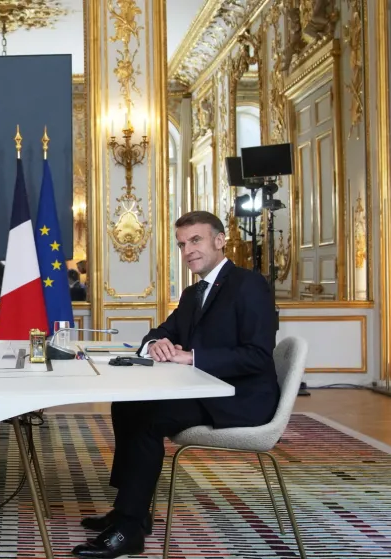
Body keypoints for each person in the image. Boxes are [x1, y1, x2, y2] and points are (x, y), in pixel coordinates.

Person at [73, 211, 279, 558]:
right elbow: (160, 332)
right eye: (182, 244)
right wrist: (155, 344)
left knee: (149, 420)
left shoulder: (249, 284)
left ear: (219, 240)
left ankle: (128, 530)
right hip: (204, 390)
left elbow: (258, 356)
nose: (187, 250)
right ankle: (131, 513)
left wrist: (192, 357)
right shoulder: (192, 293)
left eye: (195, 240)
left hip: (240, 398)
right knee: (127, 404)